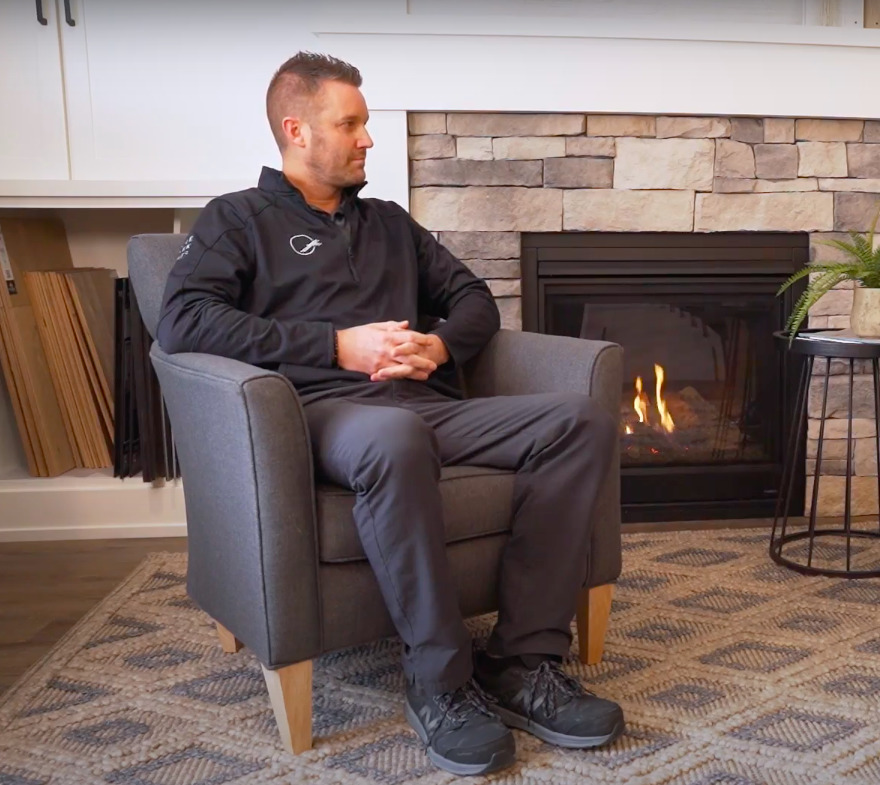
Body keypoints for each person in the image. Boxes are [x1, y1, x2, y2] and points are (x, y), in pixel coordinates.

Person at [156, 52, 623, 776]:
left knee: (580, 419)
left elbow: (474, 299)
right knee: (394, 435)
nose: (367, 138)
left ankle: (522, 660)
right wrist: (334, 345)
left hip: (421, 403)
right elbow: (183, 322)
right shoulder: (237, 219)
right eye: (349, 124)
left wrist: (436, 347)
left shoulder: (389, 222)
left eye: (365, 123)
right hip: (319, 412)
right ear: (296, 130)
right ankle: (438, 679)